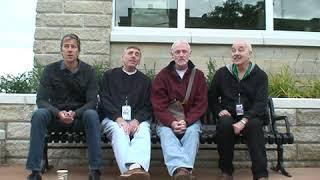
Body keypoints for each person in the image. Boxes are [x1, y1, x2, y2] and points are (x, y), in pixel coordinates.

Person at [26, 34, 103, 180]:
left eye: (73, 47)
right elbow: (41, 100)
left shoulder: (89, 71)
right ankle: (35, 171)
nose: (69, 50)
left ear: (78, 51)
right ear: (61, 50)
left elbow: (92, 102)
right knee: (39, 114)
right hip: (56, 118)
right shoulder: (50, 70)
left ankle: (95, 170)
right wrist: (58, 113)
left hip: (79, 119)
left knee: (92, 114)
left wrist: (75, 113)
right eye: (66, 46)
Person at [208, 40, 269, 180]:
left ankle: (260, 174)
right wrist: (219, 111)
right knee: (224, 124)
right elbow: (211, 97)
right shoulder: (222, 73)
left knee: (254, 126)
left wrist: (244, 120)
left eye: (240, 50)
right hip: (229, 114)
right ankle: (226, 172)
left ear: (250, 53)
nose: (236, 53)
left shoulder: (260, 75)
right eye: (233, 50)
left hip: (251, 116)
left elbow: (260, 103)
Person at [151, 40, 208, 180]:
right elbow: (159, 105)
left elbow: (201, 104)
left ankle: (179, 172)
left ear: (189, 54)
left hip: (191, 121)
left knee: (192, 132)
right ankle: (183, 171)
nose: (181, 55)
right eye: (177, 52)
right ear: (172, 55)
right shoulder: (162, 76)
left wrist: (187, 122)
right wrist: (171, 122)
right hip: (167, 122)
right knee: (166, 134)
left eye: (184, 51)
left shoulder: (198, 76)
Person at [99, 46, 152, 180]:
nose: (133, 56)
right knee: (120, 131)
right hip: (113, 119)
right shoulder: (109, 76)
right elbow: (104, 100)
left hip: (137, 120)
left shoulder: (145, 81)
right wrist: (118, 119)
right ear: (123, 57)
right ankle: (132, 170)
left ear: (139, 60)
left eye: (137, 54)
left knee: (143, 131)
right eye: (130, 53)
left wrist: (137, 120)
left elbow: (148, 105)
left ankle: (135, 168)